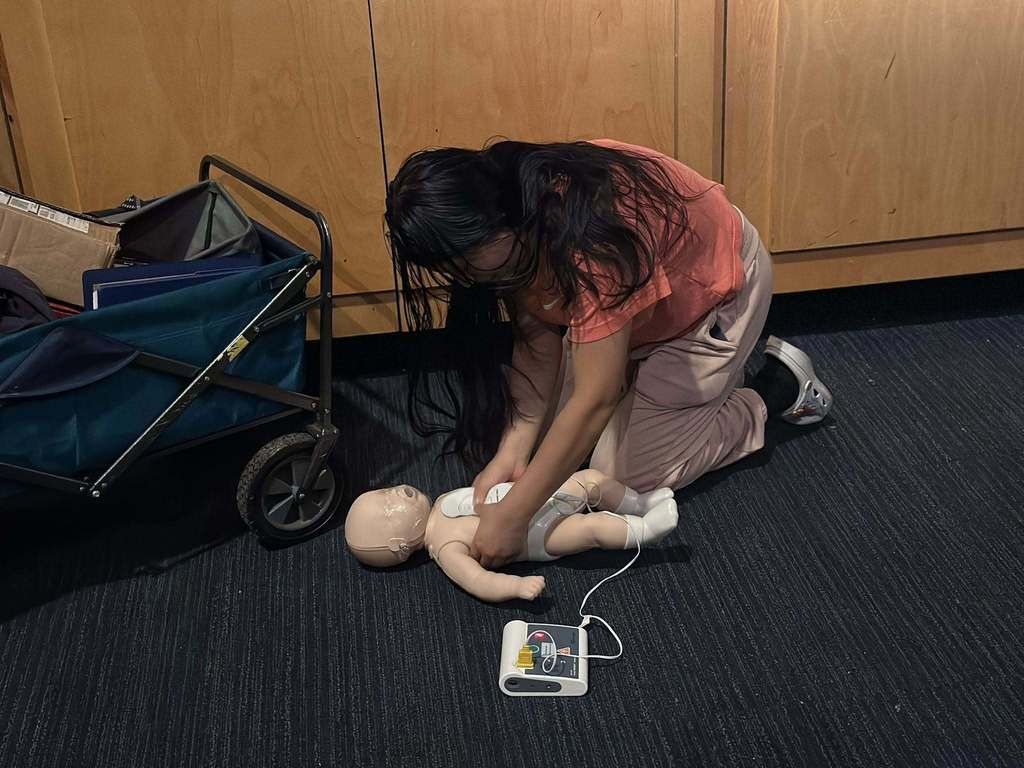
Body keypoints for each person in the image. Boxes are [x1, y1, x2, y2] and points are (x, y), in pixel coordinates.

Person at [383, 137, 833, 569]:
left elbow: (597, 396)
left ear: (499, 220)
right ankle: (672, 388)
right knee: (552, 452)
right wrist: (513, 451)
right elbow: (535, 333)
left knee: (625, 473)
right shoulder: (516, 218)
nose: (464, 279)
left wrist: (515, 516)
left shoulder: (589, 234)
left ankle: (773, 392)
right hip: (641, 311)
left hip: (711, 295)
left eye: (465, 262)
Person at [343, 469, 678, 603]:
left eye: (384, 491)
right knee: (590, 530)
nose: (395, 493)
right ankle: (645, 530)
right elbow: (478, 581)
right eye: (388, 508)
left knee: (590, 479)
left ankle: (639, 501)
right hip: (541, 537)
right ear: (399, 547)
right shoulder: (445, 548)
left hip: (538, 497)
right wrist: (516, 587)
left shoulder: (442, 500)